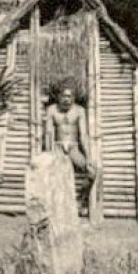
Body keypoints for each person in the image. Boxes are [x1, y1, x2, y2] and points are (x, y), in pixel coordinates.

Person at [42, 82, 93, 214]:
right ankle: (56, 207)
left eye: (69, 96)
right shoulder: (52, 110)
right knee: (53, 173)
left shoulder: (79, 111)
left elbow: (83, 135)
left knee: (92, 171)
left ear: (74, 98)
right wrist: (50, 153)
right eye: (63, 96)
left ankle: (80, 201)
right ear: (58, 96)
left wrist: (88, 157)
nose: (66, 99)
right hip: (57, 146)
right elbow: (48, 134)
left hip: (73, 147)